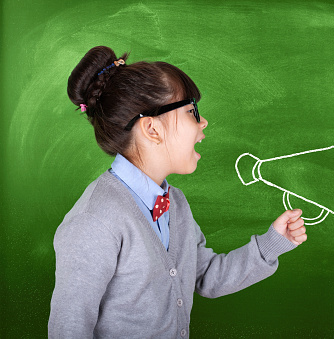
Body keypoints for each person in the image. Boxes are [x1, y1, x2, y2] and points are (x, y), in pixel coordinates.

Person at [48, 46, 307, 338]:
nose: (203, 121)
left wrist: (272, 243)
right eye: (191, 110)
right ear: (152, 129)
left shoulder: (175, 204)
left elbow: (205, 275)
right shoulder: (95, 220)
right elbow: (68, 328)